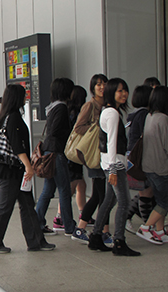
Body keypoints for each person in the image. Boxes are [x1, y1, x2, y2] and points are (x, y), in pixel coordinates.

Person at [0, 84, 56, 252]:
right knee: (5, 207)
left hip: (14, 170)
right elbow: (17, 146)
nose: (26, 98)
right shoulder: (13, 117)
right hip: (11, 171)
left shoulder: (7, 116)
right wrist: (29, 167)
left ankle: (36, 241)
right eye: (24, 95)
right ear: (17, 98)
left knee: (28, 205)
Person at [88, 78, 140, 256]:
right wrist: (113, 170)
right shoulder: (112, 113)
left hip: (111, 162)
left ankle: (96, 237)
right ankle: (119, 241)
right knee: (124, 202)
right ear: (111, 92)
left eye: (125, 90)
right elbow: (111, 142)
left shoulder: (111, 111)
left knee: (109, 201)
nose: (124, 94)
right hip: (114, 164)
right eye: (119, 91)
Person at [71, 74, 112, 245]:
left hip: (105, 153)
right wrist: (96, 127)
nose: (101, 87)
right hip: (95, 155)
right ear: (93, 88)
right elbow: (78, 127)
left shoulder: (107, 105)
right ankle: (101, 231)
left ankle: (86, 229)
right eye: (98, 85)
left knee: (99, 195)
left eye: (104, 84)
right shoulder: (90, 105)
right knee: (103, 196)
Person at [35, 78, 76, 237]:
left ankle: (38, 222)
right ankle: (69, 226)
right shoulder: (61, 108)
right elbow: (56, 131)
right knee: (64, 189)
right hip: (56, 153)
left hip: (49, 152)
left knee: (48, 189)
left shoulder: (52, 108)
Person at [136, 86, 168, 245]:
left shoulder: (149, 116)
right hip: (162, 166)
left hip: (149, 165)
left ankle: (160, 231)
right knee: (166, 202)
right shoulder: (164, 119)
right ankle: (146, 228)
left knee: (160, 200)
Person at [53, 85, 87, 231]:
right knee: (70, 186)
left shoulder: (67, 111)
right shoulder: (74, 114)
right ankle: (61, 216)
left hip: (71, 154)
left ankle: (82, 213)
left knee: (79, 184)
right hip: (72, 155)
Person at [124, 85, 155, 232]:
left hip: (131, 157)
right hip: (139, 157)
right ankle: (148, 225)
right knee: (146, 192)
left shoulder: (133, 114)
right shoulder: (144, 114)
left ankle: (128, 218)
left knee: (144, 190)